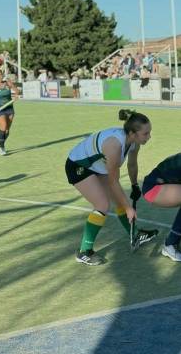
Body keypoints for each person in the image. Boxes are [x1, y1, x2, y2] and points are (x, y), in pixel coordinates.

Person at [65, 109, 156, 266]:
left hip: (98, 166)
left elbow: (132, 164)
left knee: (121, 200)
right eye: (145, 134)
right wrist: (128, 208)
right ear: (133, 133)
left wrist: (134, 185)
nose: (149, 137)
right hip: (78, 166)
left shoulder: (134, 143)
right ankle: (84, 251)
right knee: (102, 205)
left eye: (149, 133)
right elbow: (114, 181)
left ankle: (134, 235)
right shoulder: (114, 146)